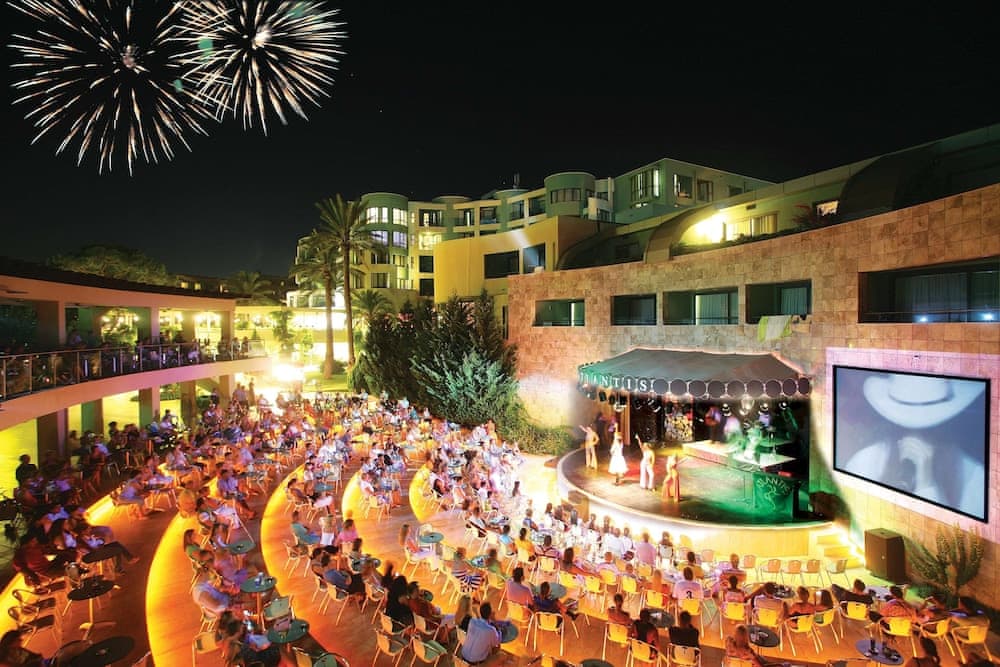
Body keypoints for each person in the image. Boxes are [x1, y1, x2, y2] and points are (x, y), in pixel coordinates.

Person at [841, 372, 987, 518]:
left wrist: (927, 485)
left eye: (929, 429)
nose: (915, 440)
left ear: (945, 426)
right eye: (906, 427)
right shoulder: (864, 462)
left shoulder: (976, 478)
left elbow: (940, 531)